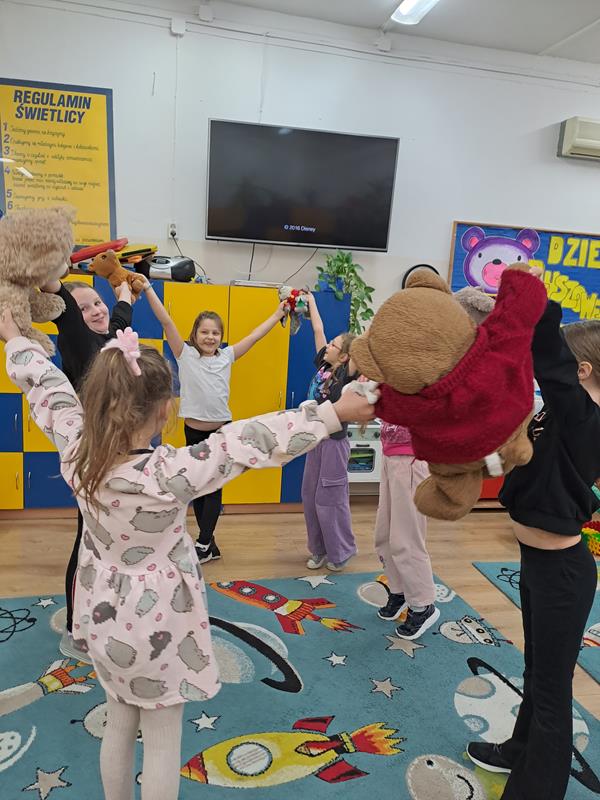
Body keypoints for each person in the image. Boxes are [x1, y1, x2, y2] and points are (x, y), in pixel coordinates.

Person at [0, 308, 375, 800]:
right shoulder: (170, 472)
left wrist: (14, 337)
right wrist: (333, 414)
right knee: (160, 740)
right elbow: (249, 441)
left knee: (118, 722)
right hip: (158, 619)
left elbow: (49, 389)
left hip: (104, 615)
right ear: (164, 411)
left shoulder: (77, 451)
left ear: (96, 401)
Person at [466, 275, 600, 800]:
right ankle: (517, 751)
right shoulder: (562, 416)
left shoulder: (586, 419)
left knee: (551, 693)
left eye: (567, 367)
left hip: (562, 575)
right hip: (539, 565)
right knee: (537, 672)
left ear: (581, 371)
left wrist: (536, 300)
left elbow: (549, 359)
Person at [142, 278, 287, 563]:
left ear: (221, 336)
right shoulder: (185, 355)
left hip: (220, 434)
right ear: (194, 334)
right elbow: (166, 321)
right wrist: (148, 288)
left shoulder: (226, 356)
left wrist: (278, 313)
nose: (210, 337)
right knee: (198, 487)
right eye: (205, 332)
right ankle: (209, 542)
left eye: (215, 333)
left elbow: (255, 336)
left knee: (214, 488)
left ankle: (205, 543)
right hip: (193, 433)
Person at [40, 274, 135, 661]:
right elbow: (60, 299)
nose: (96, 311)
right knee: (88, 542)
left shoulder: (109, 339)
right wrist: (51, 268)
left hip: (121, 456)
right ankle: (73, 631)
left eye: (97, 302)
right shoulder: (79, 342)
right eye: (85, 308)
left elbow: (120, 317)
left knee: (112, 542)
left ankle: (105, 617)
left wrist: (124, 290)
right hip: (96, 460)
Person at [302, 293, 359, 571]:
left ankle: (340, 552)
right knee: (310, 496)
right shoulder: (324, 365)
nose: (328, 346)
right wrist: (311, 301)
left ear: (345, 356)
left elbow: (363, 348)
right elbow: (318, 329)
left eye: (334, 345)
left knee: (330, 499)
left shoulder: (346, 375)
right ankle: (319, 550)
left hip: (334, 444)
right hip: (315, 441)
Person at [374, 422, 439, 639]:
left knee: (406, 540)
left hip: (412, 458)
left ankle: (422, 606)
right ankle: (399, 591)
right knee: (384, 536)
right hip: (390, 454)